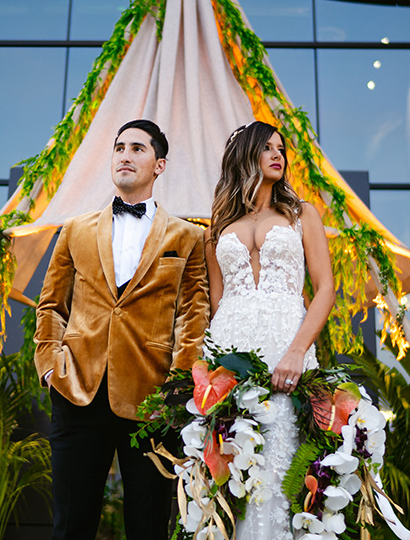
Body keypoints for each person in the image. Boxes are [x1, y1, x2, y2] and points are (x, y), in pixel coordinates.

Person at [34, 119, 210, 540]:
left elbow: (193, 316)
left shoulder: (189, 237)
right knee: (70, 525)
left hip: (152, 400)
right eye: (119, 148)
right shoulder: (74, 230)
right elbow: (51, 305)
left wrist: (179, 387)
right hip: (77, 389)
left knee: (149, 527)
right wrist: (49, 365)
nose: (125, 156)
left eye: (137, 149)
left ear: (159, 164)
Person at [205, 120, 335, 540]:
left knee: (280, 473)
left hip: (285, 350)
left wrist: (297, 351)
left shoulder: (301, 215)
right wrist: (210, 373)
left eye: (281, 148)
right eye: (267, 148)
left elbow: (326, 289)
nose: (278, 154)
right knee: (231, 476)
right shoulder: (218, 227)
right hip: (229, 356)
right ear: (246, 155)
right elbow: (215, 303)